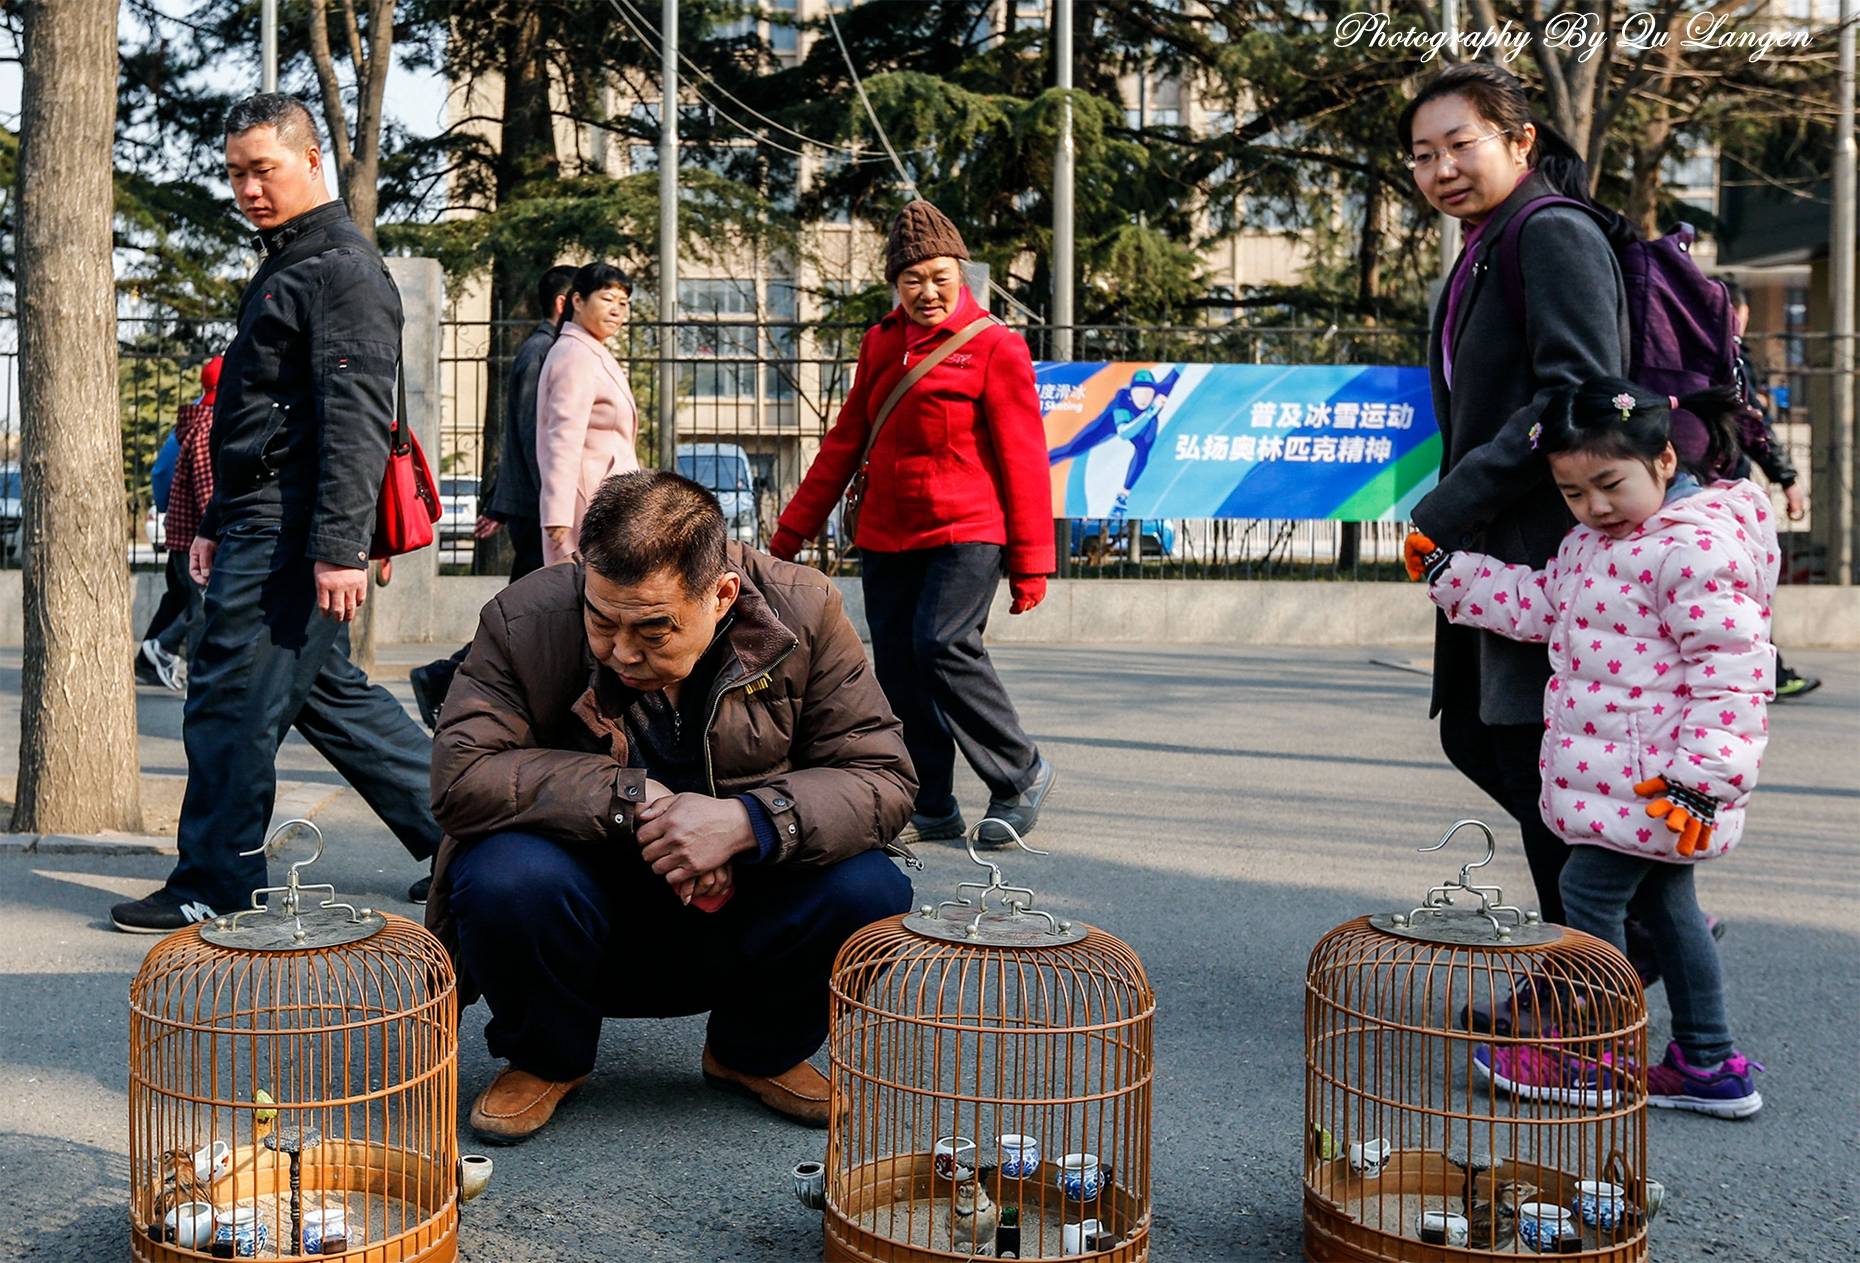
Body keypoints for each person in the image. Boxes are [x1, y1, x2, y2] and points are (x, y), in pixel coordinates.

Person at [426, 470, 916, 1143]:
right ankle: (546, 1056)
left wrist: (748, 823)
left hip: (744, 908)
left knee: (873, 887)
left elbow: (882, 775)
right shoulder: (522, 618)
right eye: (602, 620)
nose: (622, 651)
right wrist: (635, 798)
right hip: (586, 911)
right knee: (503, 874)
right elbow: (460, 776)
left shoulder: (807, 609)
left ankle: (754, 1050)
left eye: (653, 630)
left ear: (721, 595)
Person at [110, 94, 441, 932]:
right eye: (235, 173)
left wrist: (336, 548)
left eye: (265, 169)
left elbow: (356, 417)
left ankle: (214, 881)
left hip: (292, 535)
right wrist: (217, 523)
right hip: (263, 524)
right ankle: (466, 834)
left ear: (311, 162)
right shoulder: (293, 261)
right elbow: (261, 419)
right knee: (332, 699)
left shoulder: (336, 269)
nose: (249, 188)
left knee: (226, 703)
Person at [1410, 379, 1773, 1118]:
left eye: (1610, 484)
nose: (1596, 506)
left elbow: (1735, 675)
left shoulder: (1695, 547)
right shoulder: (1591, 545)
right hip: (1631, 785)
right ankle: (1708, 1061)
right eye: (1575, 493)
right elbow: (1540, 605)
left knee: (1587, 895)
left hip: (1659, 785)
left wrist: (1704, 781)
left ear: (1664, 459)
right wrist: (1454, 577)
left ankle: (1596, 1052)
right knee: (1671, 908)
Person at [1398, 63, 1631, 931]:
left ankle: (1597, 967)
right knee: (1481, 735)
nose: (1442, 168)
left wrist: (1450, 505)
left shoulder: (1549, 232)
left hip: (1544, 543)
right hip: (1500, 545)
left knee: (1536, 757)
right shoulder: (1487, 241)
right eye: (1423, 155)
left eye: (1461, 144)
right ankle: (1628, 927)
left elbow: (1577, 392)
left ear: (1520, 140)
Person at [768, 200, 1058, 850]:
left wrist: (1032, 559)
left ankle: (1020, 771)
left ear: (960, 273)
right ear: (895, 283)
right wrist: (788, 536)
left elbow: (1023, 456)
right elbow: (845, 442)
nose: (927, 292)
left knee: (941, 645)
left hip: (967, 529)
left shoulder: (994, 344)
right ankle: (931, 802)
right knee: (899, 665)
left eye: (939, 277)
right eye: (912, 280)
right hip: (887, 533)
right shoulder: (881, 342)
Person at [408, 264, 577, 732]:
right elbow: (530, 437)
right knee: (524, 615)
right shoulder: (540, 353)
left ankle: (449, 681)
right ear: (565, 303)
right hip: (539, 511)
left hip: (538, 508)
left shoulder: (550, 351)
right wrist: (532, 506)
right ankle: (442, 677)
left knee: (531, 614)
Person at [1724, 281, 1819, 700]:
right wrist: (1788, 479)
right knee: (1749, 584)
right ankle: (1767, 672)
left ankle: (1764, 669)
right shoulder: (1728, 355)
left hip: (1686, 487)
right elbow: (1751, 422)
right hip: (1726, 491)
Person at [536, 262, 639, 567]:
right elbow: (562, 438)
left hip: (605, 502)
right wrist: (558, 513)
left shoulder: (588, 351)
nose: (617, 310)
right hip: (586, 504)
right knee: (582, 599)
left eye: (623, 303)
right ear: (577, 301)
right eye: (607, 299)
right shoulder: (576, 356)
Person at [136, 359, 222, 692]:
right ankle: (166, 650)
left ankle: (154, 658)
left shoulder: (195, 424)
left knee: (188, 600)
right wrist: (218, 531)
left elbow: (163, 476)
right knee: (204, 603)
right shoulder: (206, 429)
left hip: (184, 535)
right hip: (195, 537)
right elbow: (208, 493)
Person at [1046, 366, 1183, 527]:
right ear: (1131, 393)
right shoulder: (1122, 401)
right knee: (1074, 447)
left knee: (1144, 450)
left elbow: (1177, 372)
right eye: (1139, 392)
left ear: (1155, 392)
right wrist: (1151, 411)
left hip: (1145, 422)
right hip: (1113, 422)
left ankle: (1123, 495)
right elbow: (1125, 434)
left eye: (1148, 393)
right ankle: (1044, 461)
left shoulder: (1160, 392)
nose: (1144, 398)